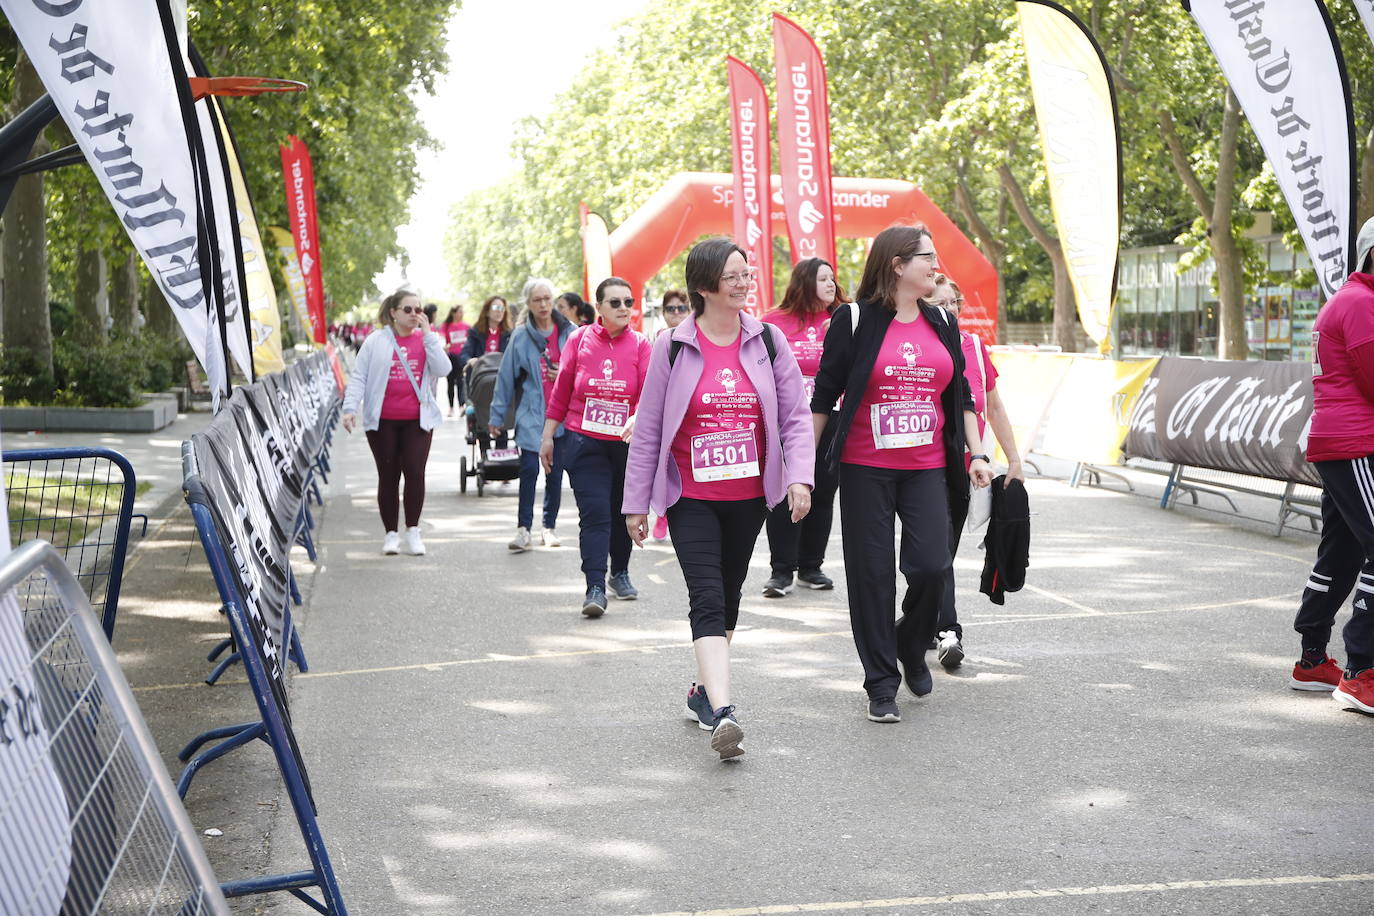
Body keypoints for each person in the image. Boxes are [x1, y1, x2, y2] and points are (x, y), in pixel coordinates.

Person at [624, 237, 815, 761]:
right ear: (706, 285)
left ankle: (702, 691)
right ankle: (724, 714)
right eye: (733, 274)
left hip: (750, 495)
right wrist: (636, 504)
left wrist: (800, 477)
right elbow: (649, 432)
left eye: (747, 273)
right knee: (706, 596)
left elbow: (797, 417)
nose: (744, 281)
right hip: (692, 497)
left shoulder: (769, 340)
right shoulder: (672, 346)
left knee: (728, 597)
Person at [811, 225, 992, 724]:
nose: (936, 267)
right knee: (871, 577)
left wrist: (977, 455)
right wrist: (802, 468)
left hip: (928, 468)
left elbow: (962, 399)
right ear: (896, 263)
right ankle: (881, 683)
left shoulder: (942, 323)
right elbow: (823, 398)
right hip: (865, 467)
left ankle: (911, 644)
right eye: (927, 258)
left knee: (933, 566)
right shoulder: (853, 320)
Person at [1291, 217, 1374, 713]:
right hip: (1357, 442)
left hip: (1338, 442)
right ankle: (1363, 672)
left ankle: (1312, 659)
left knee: (1342, 554)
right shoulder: (1363, 304)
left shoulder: (1349, 299)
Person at [927, 275, 1024, 669]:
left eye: (954, 304)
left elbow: (994, 408)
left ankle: (925, 620)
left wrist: (1013, 458)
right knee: (932, 552)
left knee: (941, 552)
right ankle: (948, 629)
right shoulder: (914, 347)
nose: (950, 311)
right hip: (925, 465)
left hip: (969, 467)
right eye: (940, 304)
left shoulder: (974, 347)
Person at [543, 277, 652, 616]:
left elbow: (650, 393)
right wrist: (548, 435)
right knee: (595, 514)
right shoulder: (579, 339)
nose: (624, 309)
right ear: (600, 307)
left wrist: (637, 416)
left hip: (626, 444)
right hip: (584, 441)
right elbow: (561, 391)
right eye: (615, 302)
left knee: (623, 511)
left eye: (628, 302)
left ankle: (620, 572)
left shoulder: (641, 344)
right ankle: (594, 586)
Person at [759, 258, 847, 597]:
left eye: (832, 278)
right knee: (784, 493)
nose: (829, 284)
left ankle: (812, 566)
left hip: (833, 418)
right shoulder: (773, 323)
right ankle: (781, 571)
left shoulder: (842, 319)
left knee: (822, 491)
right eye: (822, 278)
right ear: (804, 282)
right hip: (786, 421)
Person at [341, 289, 451, 556]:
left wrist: (429, 338)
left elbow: (444, 369)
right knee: (388, 476)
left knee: (415, 472)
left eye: (418, 310)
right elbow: (359, 377)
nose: (415, 315)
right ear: (393, 312)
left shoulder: (427, 340)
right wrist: (349, 408)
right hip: (383, 421)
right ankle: (391, 534)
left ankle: (413, 530)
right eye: (408, 310)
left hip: (418, 420)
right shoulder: (376, 341)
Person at [491, 279, 576, 552]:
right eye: (537, 300)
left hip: (562, 417)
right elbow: (505, 378)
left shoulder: (571, 333)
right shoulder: (519, 337)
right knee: (528, 471)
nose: (543, 304)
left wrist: (563, 373)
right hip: (531, 414)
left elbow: (585, 372)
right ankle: (523, 529)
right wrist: (496, 416)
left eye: (547, 299)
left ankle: (548, 527)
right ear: (528, 304)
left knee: (554, 473)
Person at [650, 288, 692, 541]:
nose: (676, 314)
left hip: (690, 416)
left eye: (681, 308)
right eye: (670, 309)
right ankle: (662, 513)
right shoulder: (659, 339)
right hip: (665, 415)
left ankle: (671, 513)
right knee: (663, 466)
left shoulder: (698, 336)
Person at [458, 296, 513, 375]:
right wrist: (470, 360)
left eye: (502, 308)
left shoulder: (510, 334)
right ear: (487, 312)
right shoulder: (475, 332)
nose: (499, 311)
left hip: (503, 377)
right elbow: (464, 355)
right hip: (481, 377)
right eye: (496, 307)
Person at [439, 306, 471, 416]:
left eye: (462, 312)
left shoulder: (466, 326)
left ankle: (462, 406)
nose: (461, 314)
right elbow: (442, 339)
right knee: (450, 383)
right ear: (453, 313)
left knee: (461, 382)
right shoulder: (446, 326)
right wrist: (444, 346)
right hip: (450, 357)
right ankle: (451, 407)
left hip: (461, 358)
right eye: (459, 312)